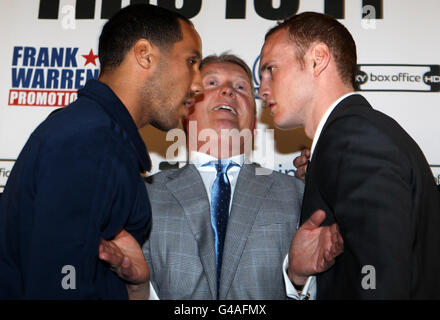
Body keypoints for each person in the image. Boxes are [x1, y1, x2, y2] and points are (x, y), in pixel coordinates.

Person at [0, 3, 203, 299]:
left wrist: (136, 287)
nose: (197, 84)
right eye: (191, 61)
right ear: (145, 55)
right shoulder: (93, 138)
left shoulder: (95, 132)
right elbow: (60, 283)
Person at [258, 12, 440, 299]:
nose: (262, 89)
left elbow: (379, 279)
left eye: (271, 69)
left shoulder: (354, 138)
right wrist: (299, 277)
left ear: (318, 59)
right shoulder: (348, 138)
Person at [139, 54, 343, 299]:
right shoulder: (145, 195)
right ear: (185, 110)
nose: (227, 91)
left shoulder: (297, 193)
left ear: (255, 123)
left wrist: (297, 279)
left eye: (240, 87)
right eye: (212, 83)